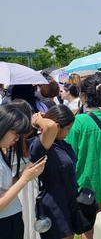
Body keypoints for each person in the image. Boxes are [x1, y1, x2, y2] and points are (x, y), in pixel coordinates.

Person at [64, 74, 101, 239]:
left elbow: (70, 153)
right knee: (100, 218)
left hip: (84, 179)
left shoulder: (79, 121)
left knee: (87, 223)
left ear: (83, 96)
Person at [29, 105, 76, 239]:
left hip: (66, 201)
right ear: (57, 125)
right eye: (67, 129)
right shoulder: (42, 145)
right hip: (55, 205)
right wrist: (37, 120)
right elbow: (49, 126)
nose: (68, 133)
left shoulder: (59, 143)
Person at [0, 105, 46, 239]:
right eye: (16, 133)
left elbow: (5, 188)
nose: (17, 138)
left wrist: (24, 175)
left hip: (10, 221)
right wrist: (24, 179)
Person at [8, 100, 39, 239]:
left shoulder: (11, 141)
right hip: (25, 186)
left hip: (15, 187)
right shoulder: (32, 139)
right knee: (29, 218)